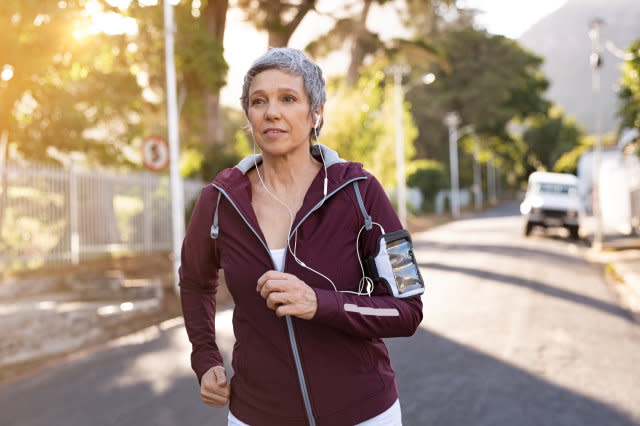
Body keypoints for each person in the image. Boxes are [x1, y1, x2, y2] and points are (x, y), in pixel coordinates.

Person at [179, 47, 424, 426]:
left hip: (363, 413)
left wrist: (321, 303)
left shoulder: (360, 192)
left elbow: (407, 309)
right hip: (256, 415)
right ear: (248, 115)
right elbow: (195, 282)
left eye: (288, 99)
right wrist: (205, 357)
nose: (271, 112)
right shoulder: (218, 201)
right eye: (258, 101)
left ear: (316, 113)